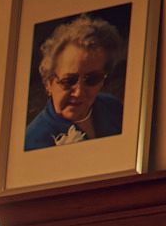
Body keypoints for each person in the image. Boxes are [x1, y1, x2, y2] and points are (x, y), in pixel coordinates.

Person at [24, 12, 126, 150]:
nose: (79, 92)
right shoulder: (32, 141)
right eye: (69, 80)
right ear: (48, 82)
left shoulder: (113, 108)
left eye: (92, 79)